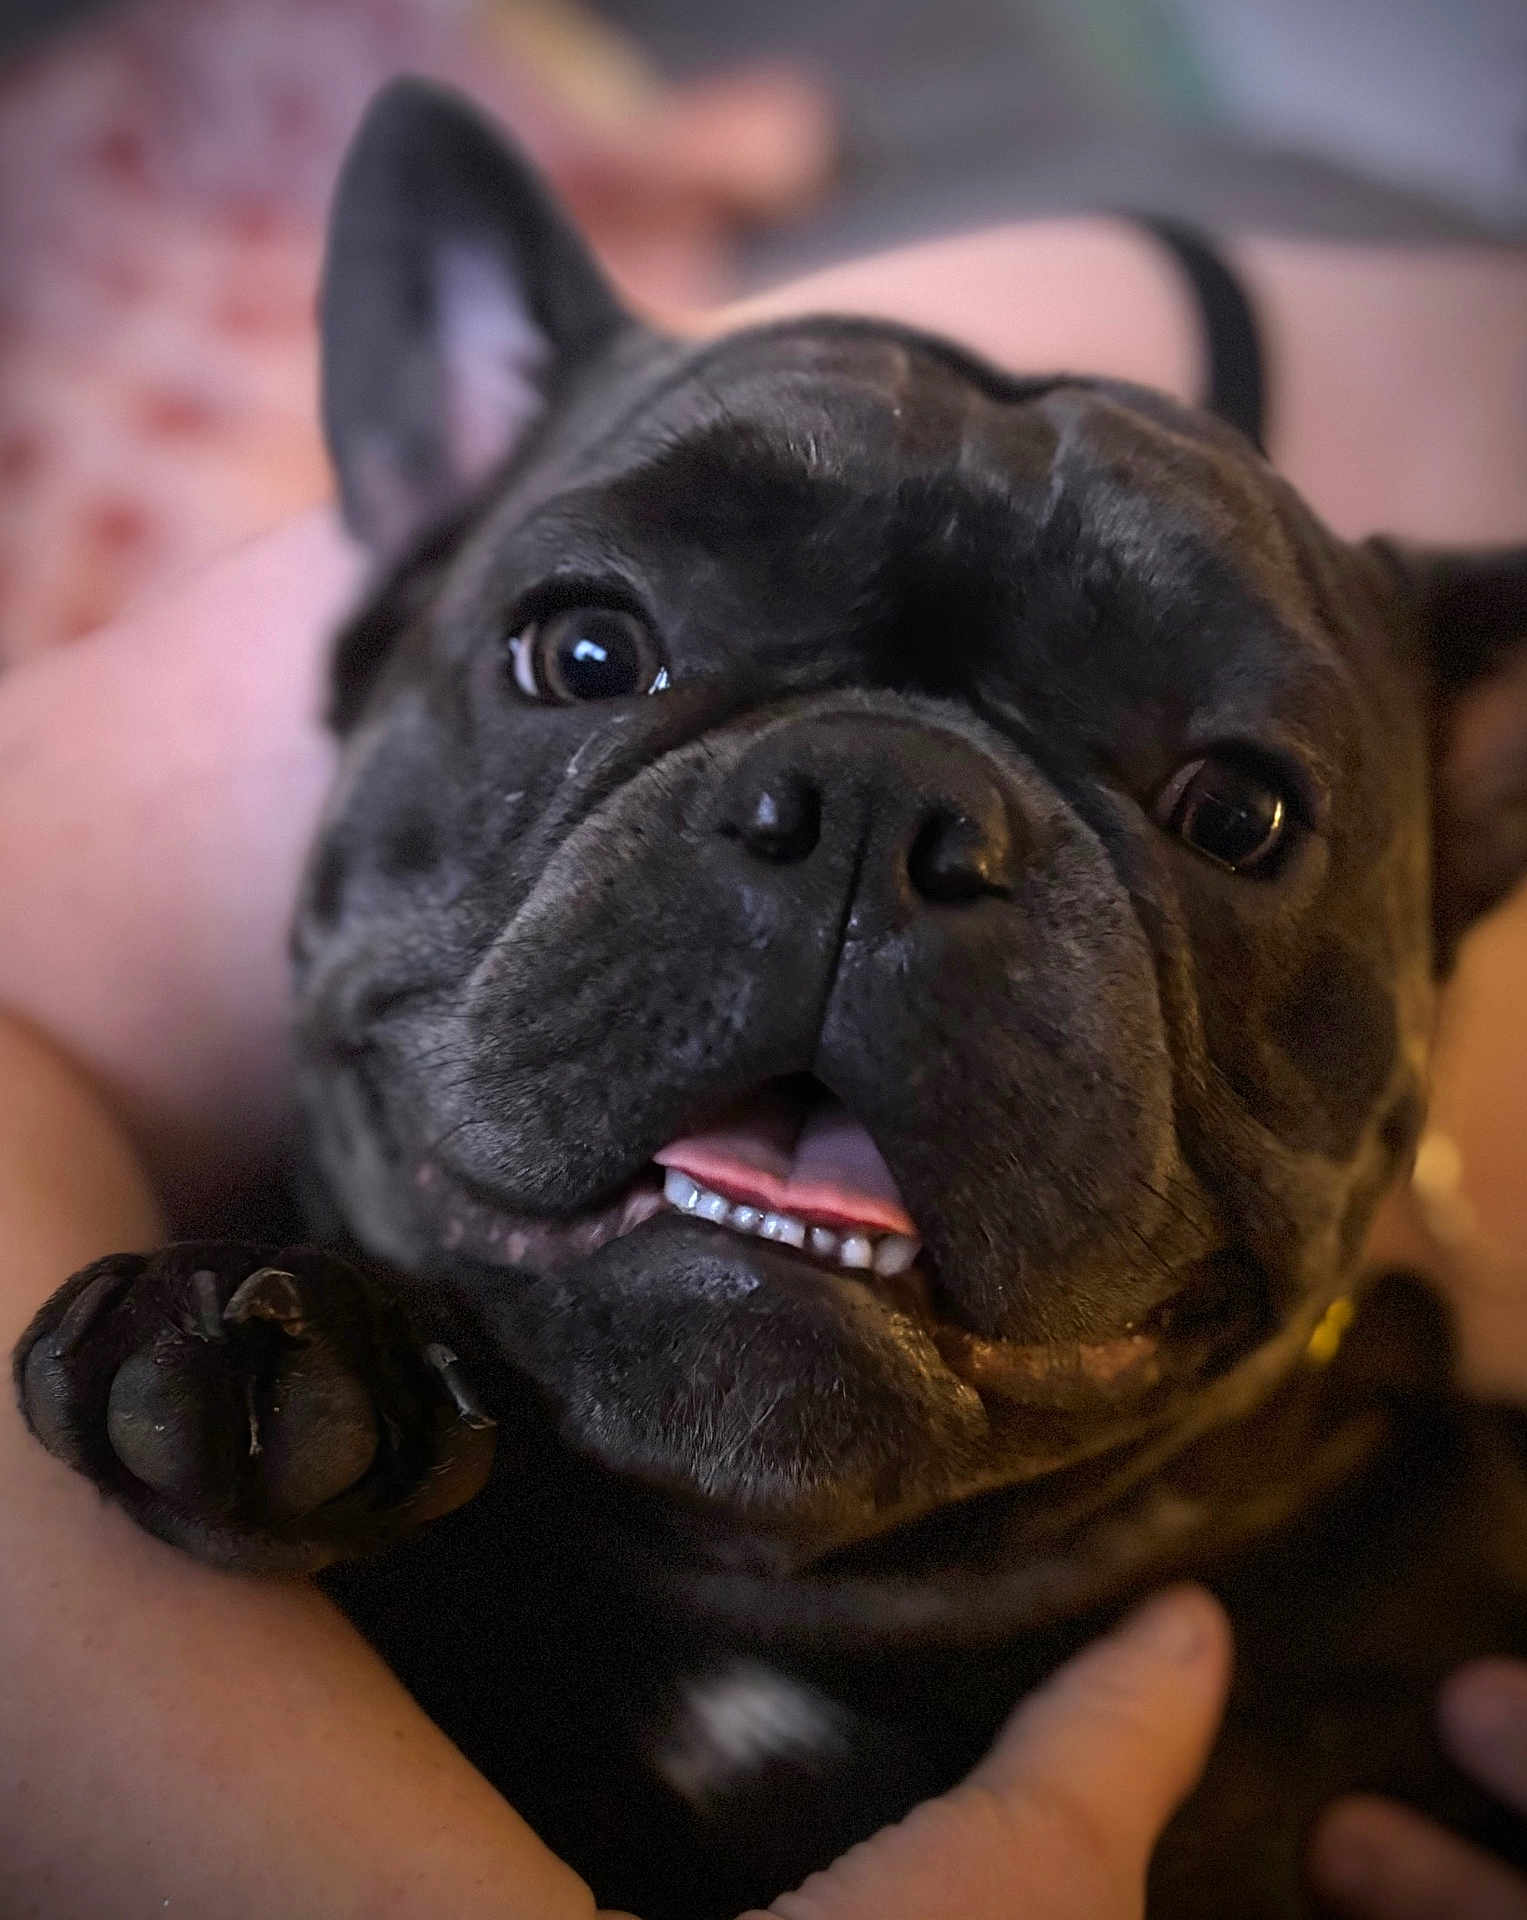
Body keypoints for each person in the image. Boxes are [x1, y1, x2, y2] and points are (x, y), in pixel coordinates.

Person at [2, 214, 1526, 1918]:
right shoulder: (905, 358)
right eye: (594, 660)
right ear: (417, 570)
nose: (874, 855)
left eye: (1230, 820)